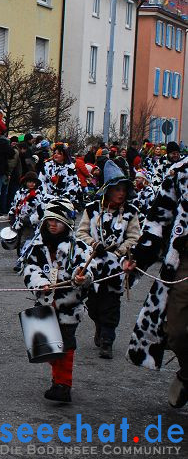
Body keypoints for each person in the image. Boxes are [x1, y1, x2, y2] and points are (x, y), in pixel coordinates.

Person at [123, 151, 188, 408]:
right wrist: (139, 256)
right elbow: (157, 221)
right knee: (177, 330)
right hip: (184, 262)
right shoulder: (180, 172)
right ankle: (186, 372)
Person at [21, 198, 96, 404]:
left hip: (69, 305)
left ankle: (63, 385)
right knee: (47, 347)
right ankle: (58, 380)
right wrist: (40, 282)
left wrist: (82, 276)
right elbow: (30, 269)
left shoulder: (78, 246)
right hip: (45, 303)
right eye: (49, 220)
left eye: (58, 220)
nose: (52, 224)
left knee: (66, 344)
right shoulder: (37, 246)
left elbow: (88, 267)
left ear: (67, 222)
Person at [76, 161, 140, 360]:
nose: (121, 193)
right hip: (94, 265)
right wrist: (94, 245)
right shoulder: (91, 209)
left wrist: (121, 251)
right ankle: (99, 326)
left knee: (111, 304)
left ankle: (107, 340)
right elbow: (81, 233)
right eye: (117, 189)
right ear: (108, 190)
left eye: (123, 190)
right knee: (94, 306)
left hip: (116, 267)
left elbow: (135, 237)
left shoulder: (131, 212)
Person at [7, 172, 43, 268]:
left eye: (34, 182)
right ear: (25, 182)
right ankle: (22, 258)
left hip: (30, 224)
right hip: (18, 223)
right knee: (18, 242)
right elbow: (14, 205)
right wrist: (11, 215)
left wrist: (30, 220)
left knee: (26, 242)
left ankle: (22, 262)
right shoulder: (19, 193)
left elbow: (40, 211)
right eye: (30, 182)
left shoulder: (38, 195)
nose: (32, 184)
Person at [39, 144, 81, 208]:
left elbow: (73, 185)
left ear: (64, 155)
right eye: (55, 153)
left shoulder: (70, 169)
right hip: (47, 201)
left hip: (64, 203)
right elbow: (41, 181)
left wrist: (62, 199)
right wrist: (46, 196)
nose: (55, 155)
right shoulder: (47, 166)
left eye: (59, 153)